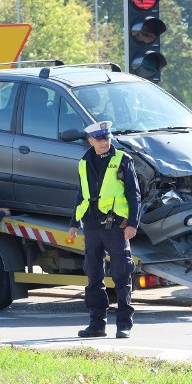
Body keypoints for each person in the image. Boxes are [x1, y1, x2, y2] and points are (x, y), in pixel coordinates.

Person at [68, 121, 141, 339]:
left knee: (122, 275)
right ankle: (97, 324)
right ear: (90, 141)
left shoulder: (122, 160)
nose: (105, 142)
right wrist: (73, 222)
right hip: (91, 226)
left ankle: (123, 325)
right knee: (94, 276)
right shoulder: (84, 163)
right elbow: (81, 195)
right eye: (100, 139)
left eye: (107, 138)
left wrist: (133, 224)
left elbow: (134, 194)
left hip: (115, 227)